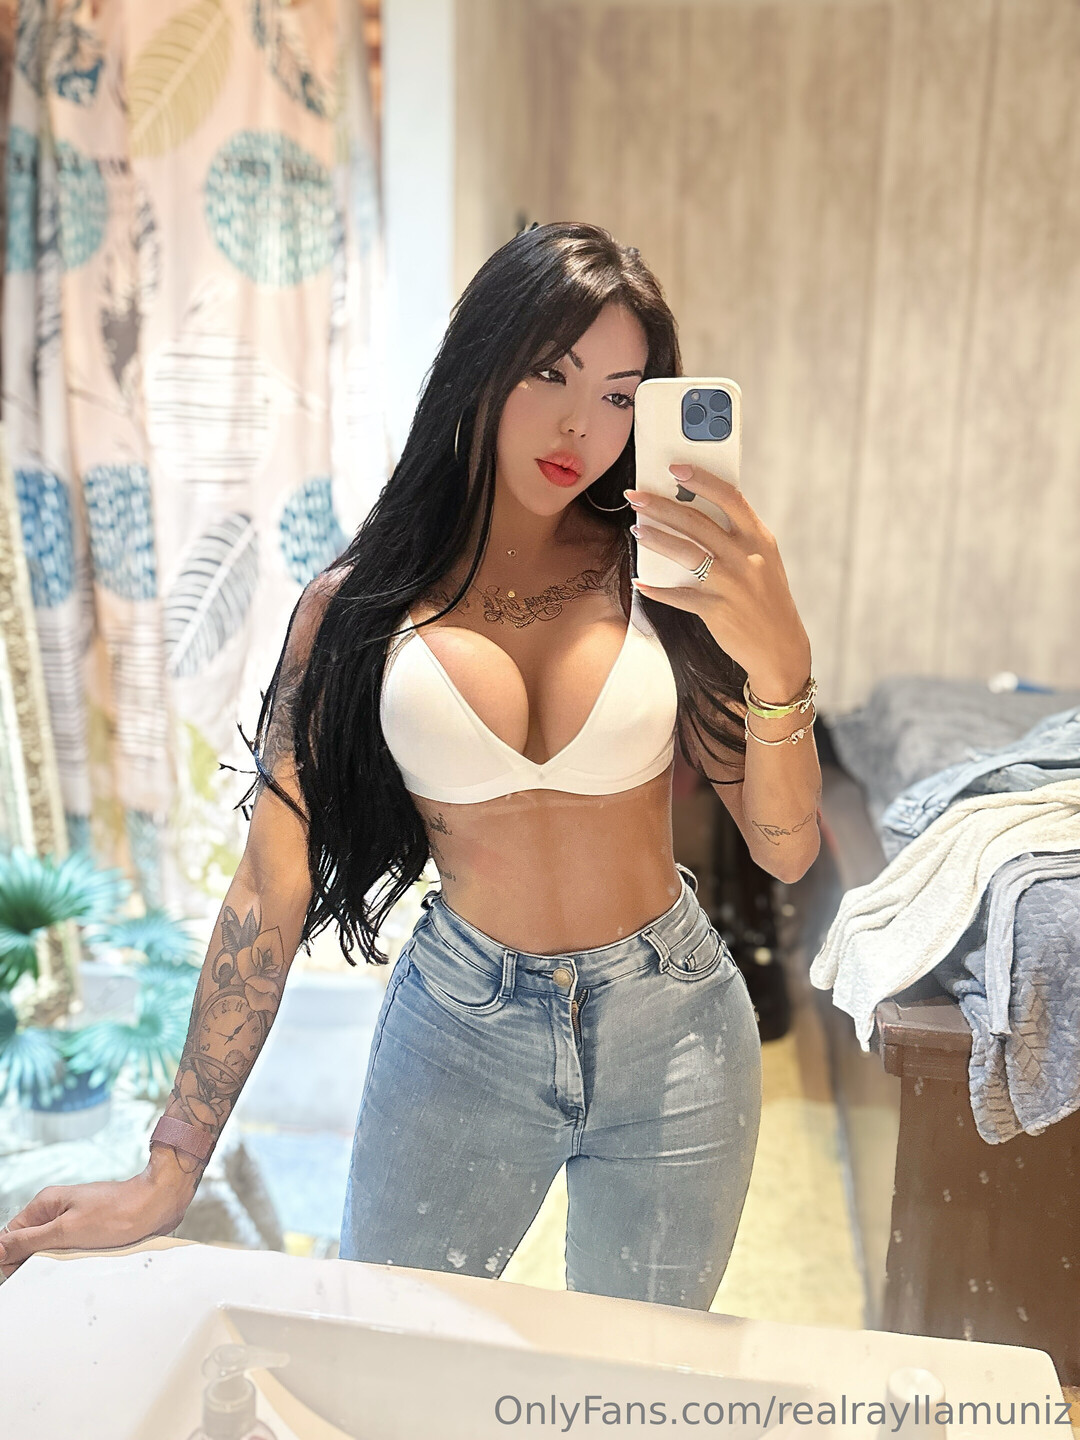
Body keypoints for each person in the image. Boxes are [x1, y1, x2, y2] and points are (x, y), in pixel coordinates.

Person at [0, 223, 821, 1307]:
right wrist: (171, 1165)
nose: (581, 426)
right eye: (551, 372)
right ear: (481, 361)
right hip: (462, 1029)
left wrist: (781, 665)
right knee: (387, 1346)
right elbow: (269, 883)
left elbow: (785, 849)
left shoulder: (665, 581)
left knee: (639, 1377)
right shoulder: (352, 609)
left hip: (675, 1027)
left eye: (621, 396)